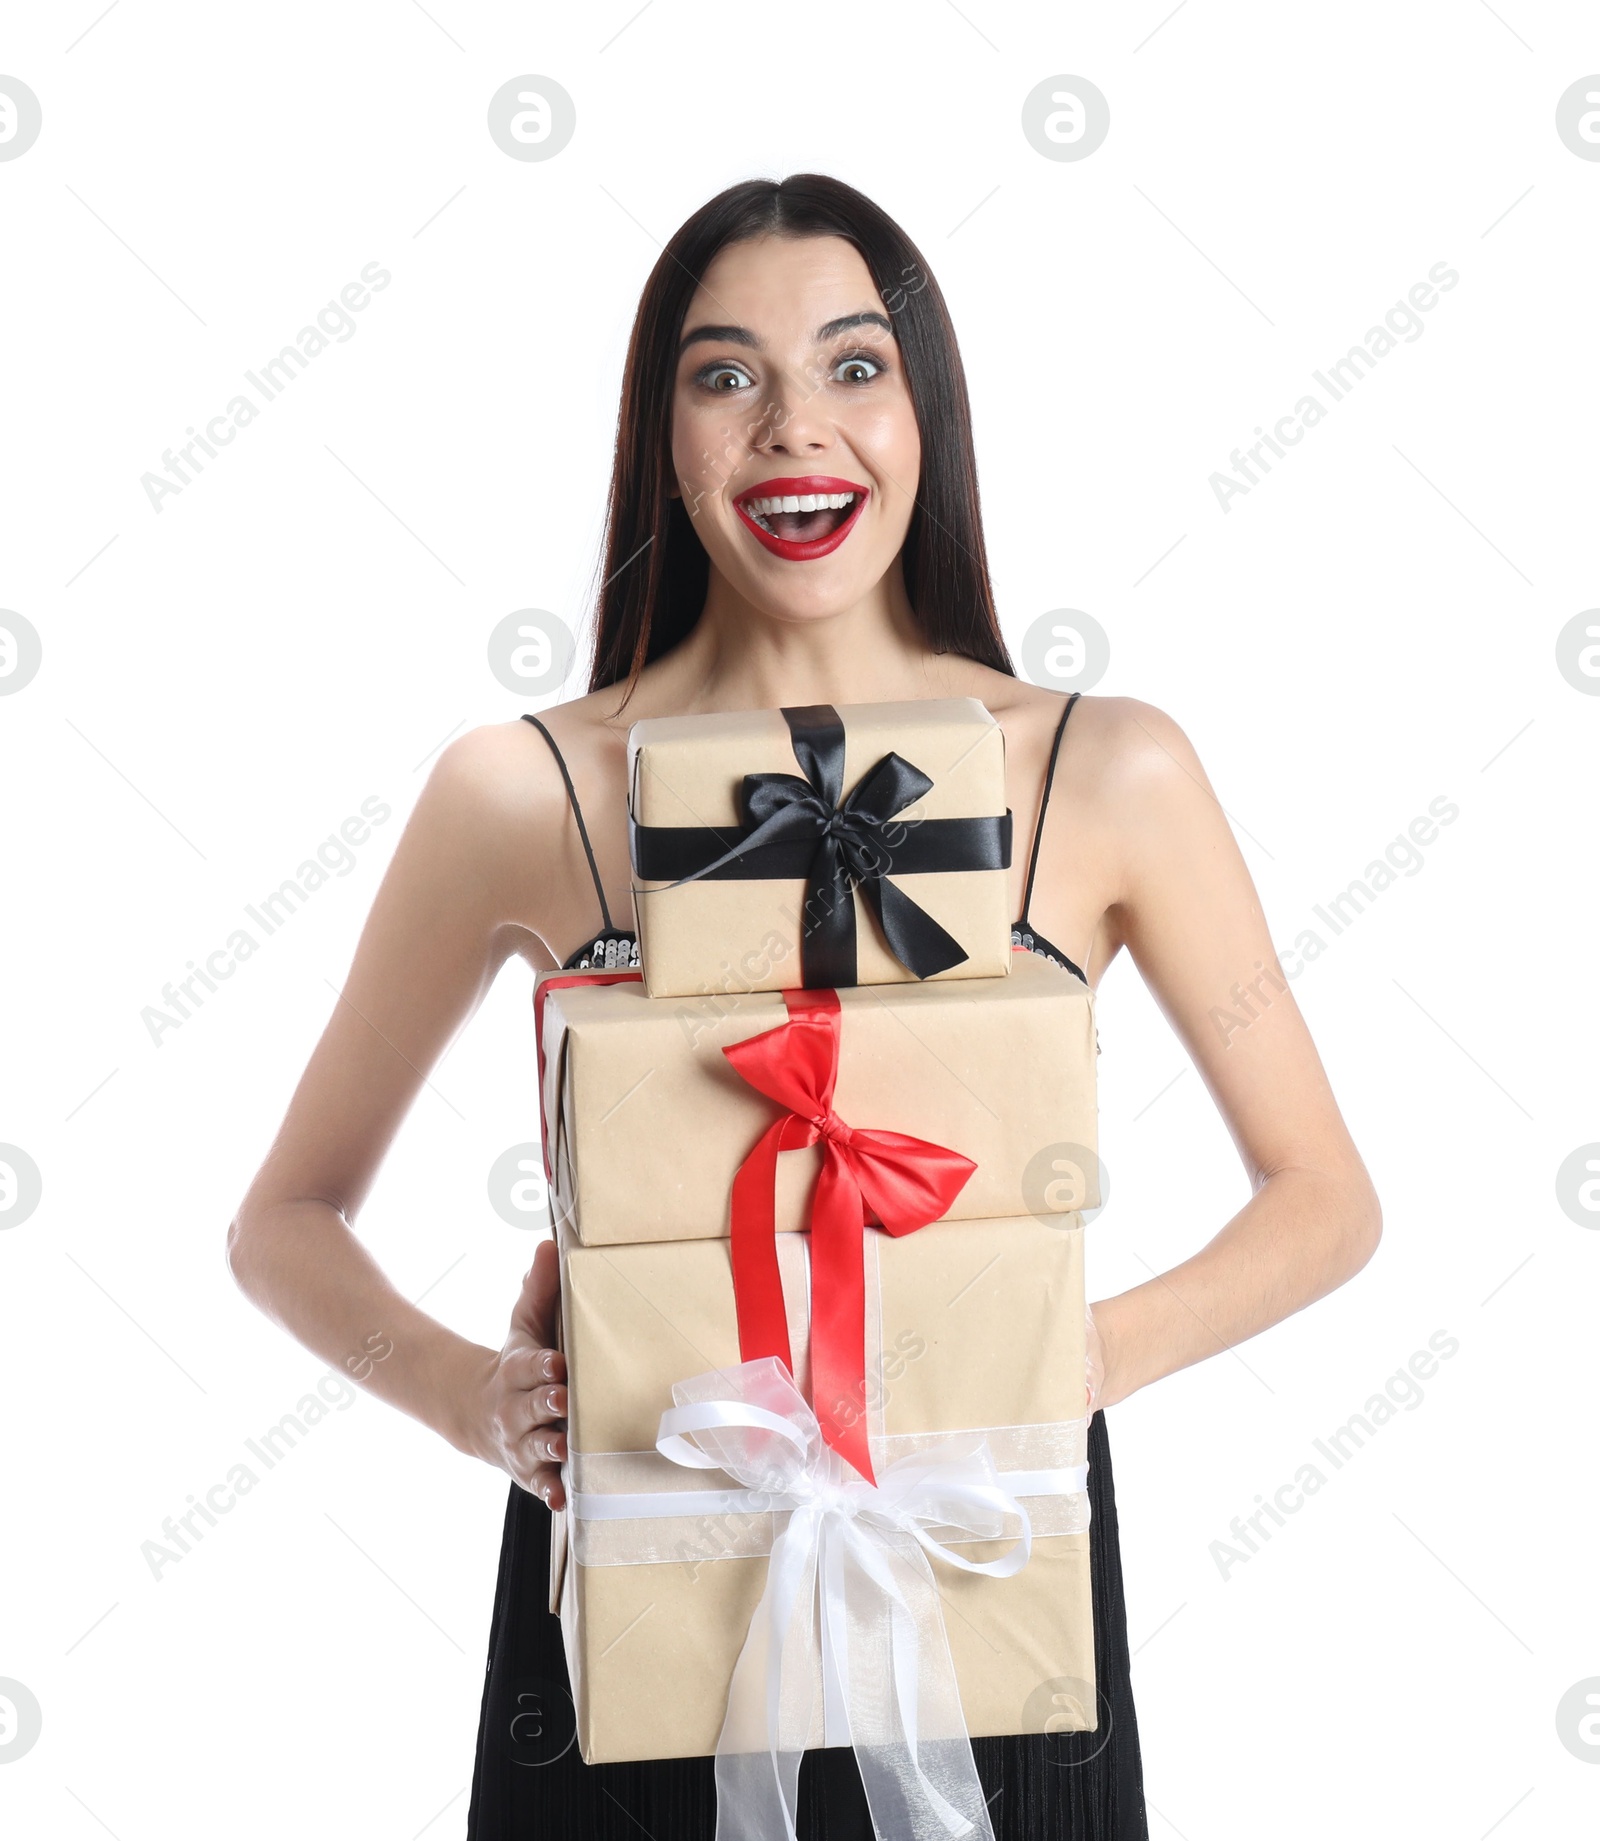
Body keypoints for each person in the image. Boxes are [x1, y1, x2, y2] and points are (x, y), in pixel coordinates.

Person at [227, 174, 1381, 1839]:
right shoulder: (526, 787)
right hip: (640, 1545)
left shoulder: (1105, 768)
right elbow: (284, 1220)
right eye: (725, 375)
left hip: (990, 1535)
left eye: (853, 366)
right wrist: (474, 1394)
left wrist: (1083, 1357)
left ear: (927, 409)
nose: (794, 430)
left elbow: (1328, 1196)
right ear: (661, 425)